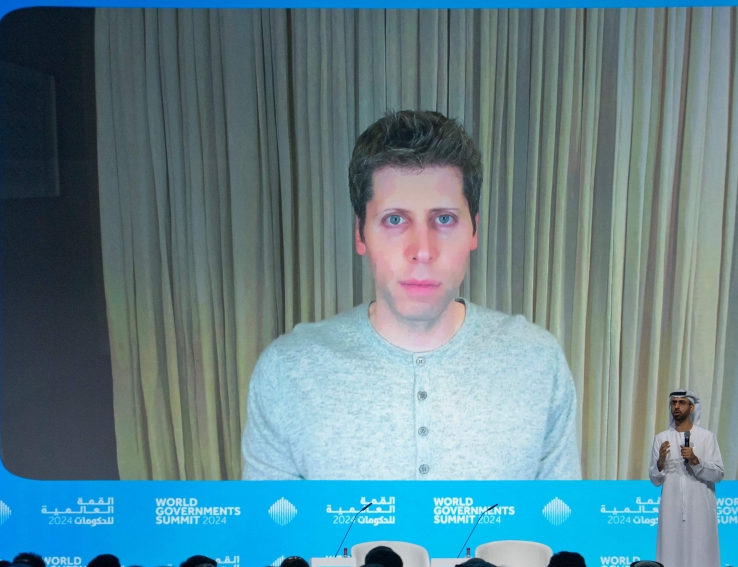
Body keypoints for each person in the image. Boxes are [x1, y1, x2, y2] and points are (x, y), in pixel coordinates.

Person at [241, 110, 580, 480]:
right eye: (395, 220)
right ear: (360, 234)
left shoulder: (538, 362)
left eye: (444, 219)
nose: (422, 250)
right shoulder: (288, 372)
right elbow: (271, 519)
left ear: (474, 230)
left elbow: (561, 516)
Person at [648, 390, 724, 567]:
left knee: (701, 556)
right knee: (670, 557)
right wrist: (660, 462)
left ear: (691, 408)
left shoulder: (706, 437)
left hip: (700, 509)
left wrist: (696, 461)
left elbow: (718, 474)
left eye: (681, 403)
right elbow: (655, 480)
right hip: (671, 509)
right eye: (673, 403)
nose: (676, 406)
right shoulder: (661, 438)